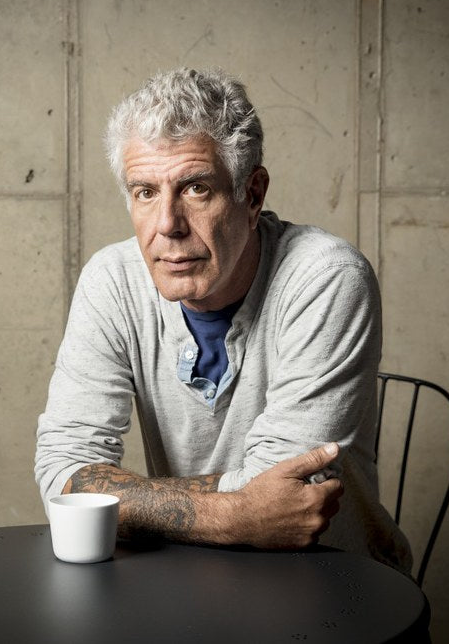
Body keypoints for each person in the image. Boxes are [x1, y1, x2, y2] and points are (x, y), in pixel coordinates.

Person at [34, 67, 411, 571]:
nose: (167, 226)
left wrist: (121, 498)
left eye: (195, 188)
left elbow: (285, 491)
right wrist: (236, 514)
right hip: (187, 585)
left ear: (251, 195)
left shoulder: (327, 277)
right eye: (145, 192)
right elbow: (62, 472)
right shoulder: (112, 280)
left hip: (333, 592)